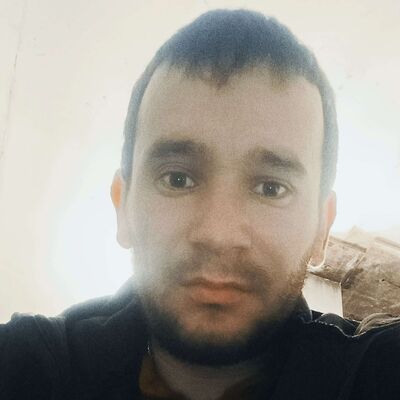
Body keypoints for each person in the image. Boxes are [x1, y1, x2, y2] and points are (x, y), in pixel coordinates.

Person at [0, 8, 399, 400]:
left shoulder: (373, 373)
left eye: (270, 188)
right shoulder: (28, 364)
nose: (218, 234)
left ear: (322, 227)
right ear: (123, 207)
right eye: (178, 179)